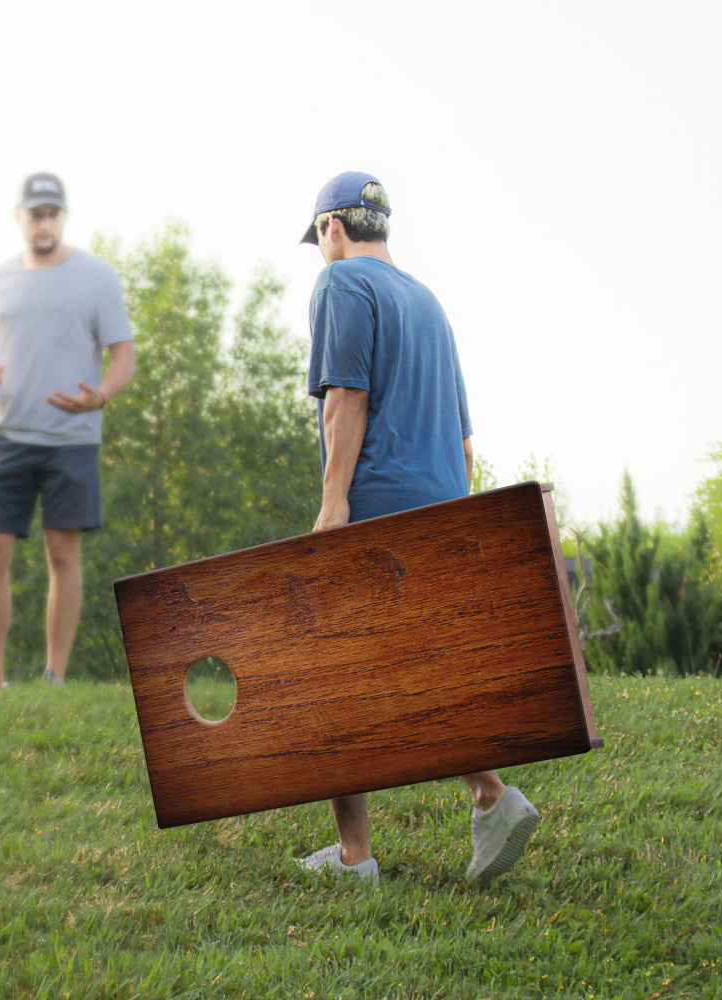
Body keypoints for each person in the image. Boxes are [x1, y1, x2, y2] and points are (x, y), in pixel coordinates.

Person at [295, 171, 539, 886]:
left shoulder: (343, 285)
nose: (318, 249)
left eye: (316, 236)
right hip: (443, 503)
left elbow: (347, 398)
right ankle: (492, 795)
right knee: (415, 670)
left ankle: (355, 857)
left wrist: (334, 501)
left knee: (337, 675)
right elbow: (464, 439)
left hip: (377, 499)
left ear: (333, 227)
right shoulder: (430, 304)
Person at [0, 172, 135, 689]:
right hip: (5, 436)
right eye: (35, 213)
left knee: (63, 552)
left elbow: (124, 355)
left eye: (52, 213)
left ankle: (54, 676)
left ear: (63, 216)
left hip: (71, 438)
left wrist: (100, 395)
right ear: (20, 216)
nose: (43, 222)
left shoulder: (97, 277)